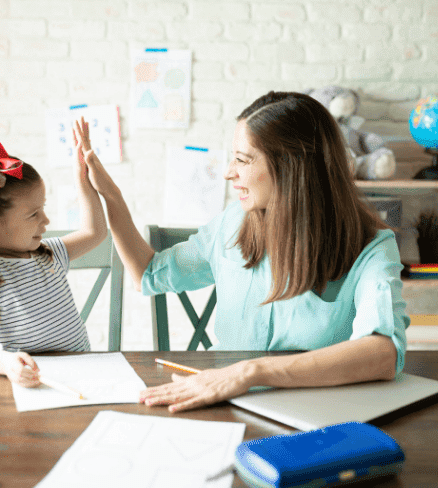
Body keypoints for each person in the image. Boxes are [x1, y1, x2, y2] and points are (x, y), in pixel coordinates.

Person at [82, 91, 409, 412]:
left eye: (242, 159)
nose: (228, 172)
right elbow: (148, 275)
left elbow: (383, 352)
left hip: (319, 414)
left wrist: (251, 372)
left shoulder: (372, 247)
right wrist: (111, 196)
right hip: (225, 402)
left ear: (290, 166)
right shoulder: (231, 224)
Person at [0, 118, 106, 387]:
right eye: (34, 214)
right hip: (37, 381)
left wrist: (82, 175)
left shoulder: (49, 254)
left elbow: (95, 232)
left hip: (83, 370)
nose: (46, 221)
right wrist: (6, 363)